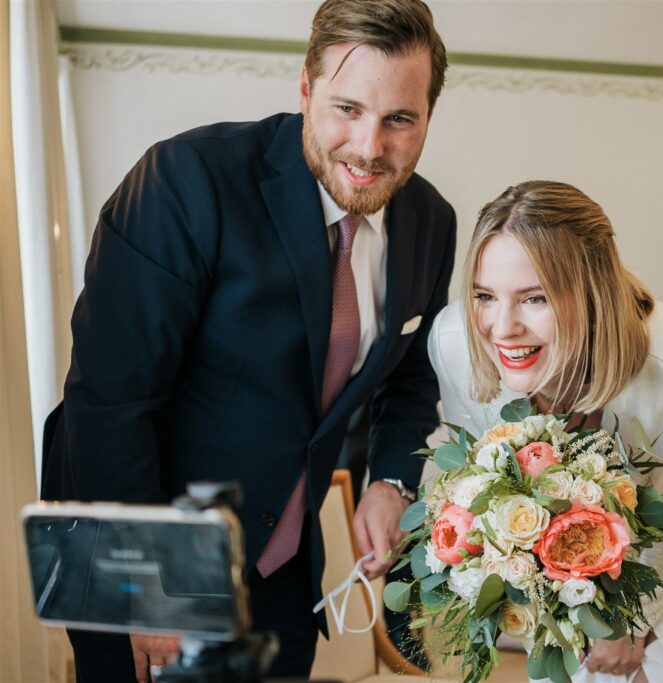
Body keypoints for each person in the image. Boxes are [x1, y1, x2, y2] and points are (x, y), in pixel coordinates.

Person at [39, 1, 455, 680]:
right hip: (141, 542)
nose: (370, 147)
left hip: (287, 572)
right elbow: (109, 401)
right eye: (347, 108)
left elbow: (411, 375)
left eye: (399, 119)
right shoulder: (184, 181)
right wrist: (152, 586)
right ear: (304, 89)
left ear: (428, 115)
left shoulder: (431, 221)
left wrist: (389, 480)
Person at [428, 181, 663, 681]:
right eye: (484, 296)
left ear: (592, 291)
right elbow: (482, 461)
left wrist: (631, 618)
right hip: (560, 555)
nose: (501, 327)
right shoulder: (454, 342)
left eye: (534, 298)